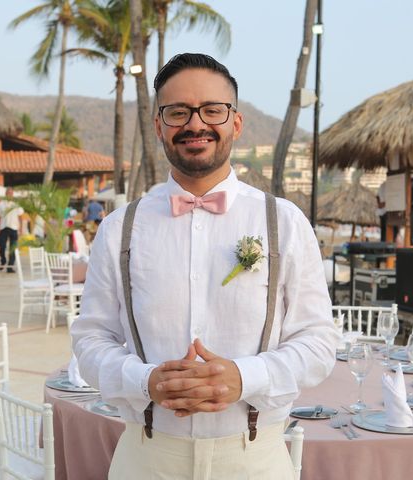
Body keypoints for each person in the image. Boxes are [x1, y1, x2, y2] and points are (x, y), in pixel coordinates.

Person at [71, 53, 338, 479]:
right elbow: (90, 340)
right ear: (159, 125)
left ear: (235, 122)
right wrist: (145, 381)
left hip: (255, 458)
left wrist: (245, 377)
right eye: (178, 112)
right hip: (147, 457)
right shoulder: (121, 228)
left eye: (212, 110)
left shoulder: (282, 222)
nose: (196, 124)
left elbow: (319, 341)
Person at [0, 187, 24, 273]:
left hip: (14, 228)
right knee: (2, 246)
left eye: (11, 193)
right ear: (6, 194)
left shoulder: (16, 204)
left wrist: (21, 228)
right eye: (8, 193)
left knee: (13, 248)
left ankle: (10, 266)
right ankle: (3, 260)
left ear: (12, 194)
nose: (10, 195)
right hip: (3, 227)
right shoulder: (1, 204)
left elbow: (21, 216)